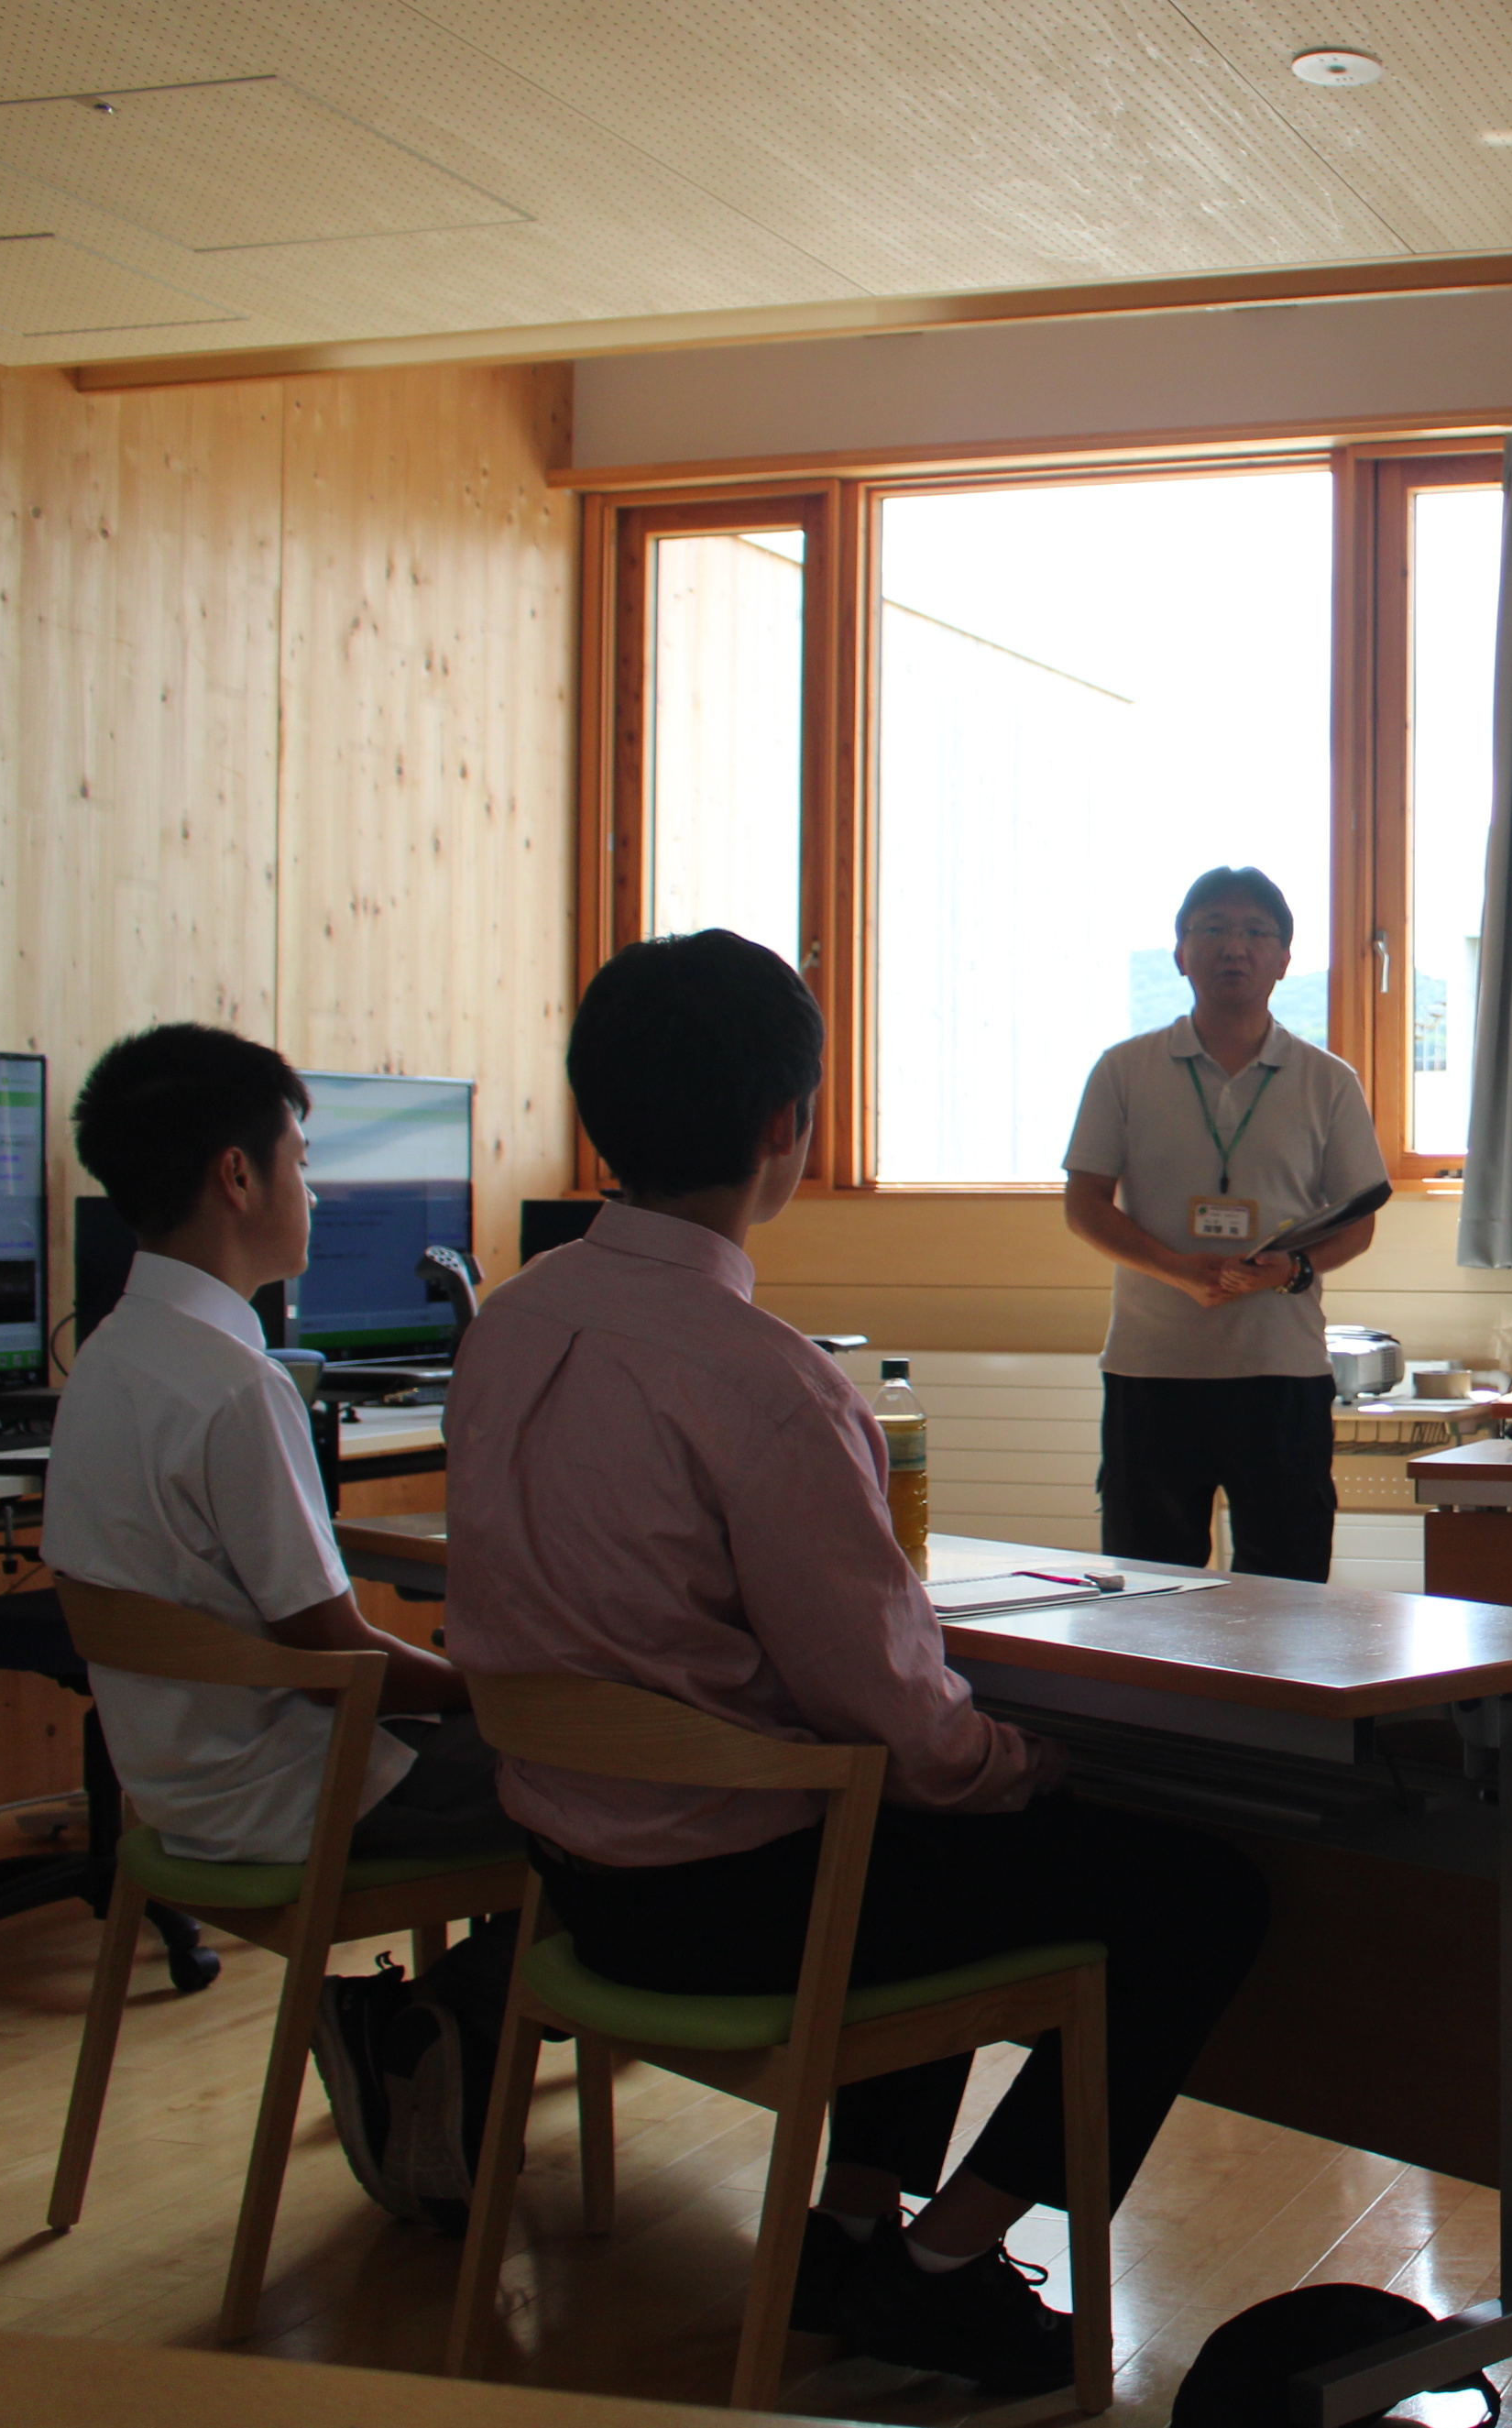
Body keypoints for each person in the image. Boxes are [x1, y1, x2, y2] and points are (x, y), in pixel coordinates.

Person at [444, 930, 1269, 2398]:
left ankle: (849, 2225)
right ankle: (943, 2267)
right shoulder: (765, 1382)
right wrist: (1031, 1761)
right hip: (741, 1912)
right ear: (787, 1125)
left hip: (575, 1888)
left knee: (914, 1834)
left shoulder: (505, 1327)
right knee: (1197, 1891)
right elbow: (900, 1719)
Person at [45, 1022, 515, 2223]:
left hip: (179, 1788)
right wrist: (494, 1692)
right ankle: (426, 2028)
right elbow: (335, 1655)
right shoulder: (236, 1384)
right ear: (238, 1176)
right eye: (303, 1162)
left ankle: (425, 2035)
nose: (316, 1190)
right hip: (304, 1790)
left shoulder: (111, 1355)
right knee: (606, 1778)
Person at [1062, 868, 1385, 1582]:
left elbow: (1358, 1221)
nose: (1233, 946)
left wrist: (1293, 1271)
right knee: (1148, 1587)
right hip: (1152, 1367)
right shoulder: (1124, 1069)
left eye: (1254, 932)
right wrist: (1177, 1270)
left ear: (1284, 959)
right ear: (1180, 953)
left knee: (1289, 1589)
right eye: (1211, 929)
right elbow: (1083, 1204)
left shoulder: (1328, 1080)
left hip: (1281, 1368)